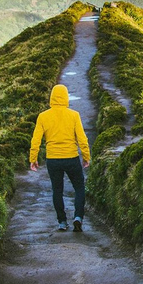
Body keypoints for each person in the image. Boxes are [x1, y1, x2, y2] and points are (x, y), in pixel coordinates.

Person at [29, 84, 91, 232]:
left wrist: (33, 158)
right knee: (79, 187)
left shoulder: (43, 116)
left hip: (53, 159)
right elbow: (82, 139)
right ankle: (78, 217)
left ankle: (62, 222)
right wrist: (86, 156)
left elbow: (36, 140)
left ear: (52, 97)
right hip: (71, 157)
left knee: (57, 190)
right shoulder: (74, 115)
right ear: (65, 97)